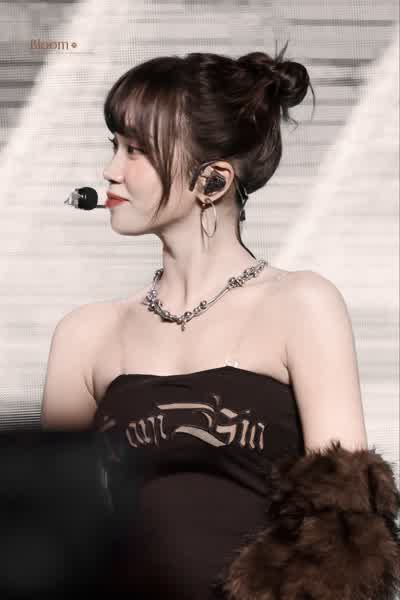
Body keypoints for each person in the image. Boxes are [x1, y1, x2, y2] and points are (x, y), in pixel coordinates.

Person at [41, 42, 400, 599]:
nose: (110, 171)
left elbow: (347, 530)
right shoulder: (84, 335)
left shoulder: (300, 304)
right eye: (114, 146)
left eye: (136, 151)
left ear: (212, 181)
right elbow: (51, 537)